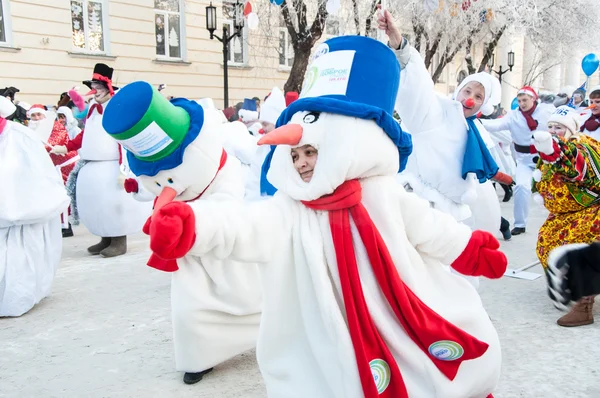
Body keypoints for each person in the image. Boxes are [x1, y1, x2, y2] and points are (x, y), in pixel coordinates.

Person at [151, 36, 506, 398]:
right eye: (294, 156)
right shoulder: (290, 209)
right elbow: (244, 227)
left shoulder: (381, 194)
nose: (302, 163)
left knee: (420, 366)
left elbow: (428, 228)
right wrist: (194, 225)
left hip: (397, 308)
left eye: (311, 151)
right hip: (326, 323)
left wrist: (468, 248)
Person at [103, 81, 262, 385]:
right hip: (188, 253)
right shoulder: (169, 179)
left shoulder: (222, 169)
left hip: (226, 250)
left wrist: (190, 219)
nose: (166, 184)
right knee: (190, 307)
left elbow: (227, 207)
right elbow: (159, 193)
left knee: (249, 298)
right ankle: (198, 357)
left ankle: (263, 332)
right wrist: (140, 190)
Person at [377, 10, 502, 240]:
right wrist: (399, 45)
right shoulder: (439, 110)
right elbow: (418, 87)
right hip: (418, 208)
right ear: (459, 91)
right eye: (467, 90)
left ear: (484, 105)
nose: (470, 98)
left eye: (478, 96)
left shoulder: (476, 133)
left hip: (450, 220)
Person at [50, 63, 151, 257]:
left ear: (108, 88)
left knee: (114, 202)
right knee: (98, 205)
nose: (95, 92)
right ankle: (105, 237)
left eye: (98, 87)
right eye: (93, 88)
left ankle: (118, 240)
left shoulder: (116, 107)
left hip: (112, 165)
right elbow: (86, 135)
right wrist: (67, 146)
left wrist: (123, 168)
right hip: (92, 164)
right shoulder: (92, 109)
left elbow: (123, 138)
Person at [0, 96, 70, 316]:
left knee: (18, 257)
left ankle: (17, 297)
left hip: (22, 208)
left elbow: (39, 171)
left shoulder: (21, 136)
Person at [532, 106, 600, 327]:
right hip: (565, 213)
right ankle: (568, 287)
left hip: (591, 211)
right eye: (550, 126)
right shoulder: (547, 152)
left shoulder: (582, 147)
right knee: (546, 243)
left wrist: (554, 149)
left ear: (571, 129)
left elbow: (573, 162)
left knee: (577, 248)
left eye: (559, 127)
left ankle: (583, 305)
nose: (553, 131)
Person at [481, 86, 553, 235]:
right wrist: (476, 121)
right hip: (524, 161)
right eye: (519, 101)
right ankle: (520, 224)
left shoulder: (546, 112)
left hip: (546, 159)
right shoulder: (514, 116)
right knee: (521, 187)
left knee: (554, 191)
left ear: (533, 99)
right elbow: (495, 125)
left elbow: (561, 121)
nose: (522, 103)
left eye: (525, 100)